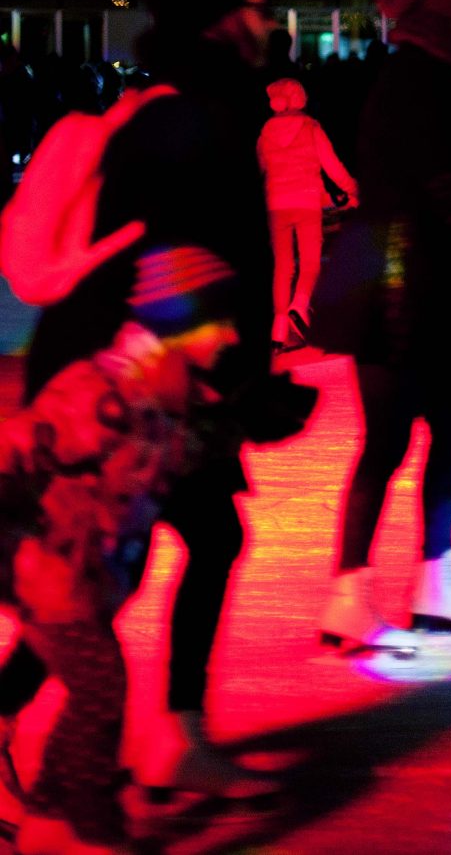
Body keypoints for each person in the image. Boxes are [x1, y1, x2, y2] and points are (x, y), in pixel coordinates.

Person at [7, 0, 309, 804]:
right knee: (135, 555)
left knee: (146, 552)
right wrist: (236, 378)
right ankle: (154, 739)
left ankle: (171, 730)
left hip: (147, 375)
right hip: (131, 384)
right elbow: (172, 263)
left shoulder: (190, 106)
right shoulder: (187, 118)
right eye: (259, 8)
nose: (272, 25)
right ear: (218, 18)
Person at [1, 247, 247, 851]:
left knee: (97, 691)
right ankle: (85, 826)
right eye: (217, 322)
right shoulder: (102, 394)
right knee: (101, 690)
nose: (231, 336)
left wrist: (244, 424)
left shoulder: (166, 397)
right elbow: (18, 453)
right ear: (178, 326)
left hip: (82, 576)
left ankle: (51, 816)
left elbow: (161, 465)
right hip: (45, 572)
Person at [315, 0, 451, 651]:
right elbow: (443, 181)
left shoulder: (425, 73)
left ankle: (414, 583)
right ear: (449, 12)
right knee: (409, 435)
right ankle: (387, 588)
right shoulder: (424, 78)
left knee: (432, 432)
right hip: (408, 283)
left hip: (402, 277)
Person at [257, 76, 357, 350]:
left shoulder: (265, 132)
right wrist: (353, 189)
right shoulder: (310, 127)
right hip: (307, 202)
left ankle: (278, 328)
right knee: (310, 262)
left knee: (283, 266)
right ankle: (299, 305)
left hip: (276, 204)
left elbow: (261, 168)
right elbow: (332, 165)